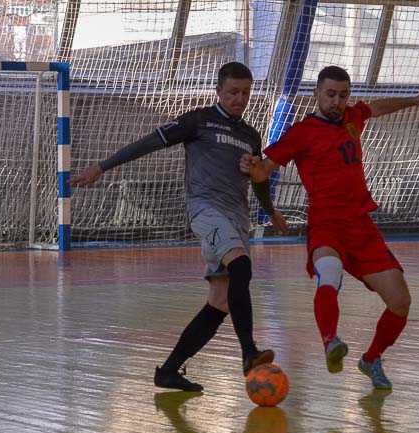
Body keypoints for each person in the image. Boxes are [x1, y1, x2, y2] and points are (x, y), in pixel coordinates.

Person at [70, 62, 288, 392]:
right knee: (241, 266)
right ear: (218, 90)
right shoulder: (198, 120)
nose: (239, 99)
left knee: (220, 302)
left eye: (245, 93)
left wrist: (270, 211)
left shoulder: (250, 136)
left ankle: (168, 372)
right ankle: (248, 353)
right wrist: (102, 167)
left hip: (237, 216)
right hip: (206, 210)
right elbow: (148, 143)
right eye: (232, 92)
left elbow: (258, 178)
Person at [242, 66, 419, 389]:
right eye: (331, 94)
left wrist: (417, 101)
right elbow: (264, 169)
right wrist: (252, 168)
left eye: (343, 95)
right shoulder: (302, 132)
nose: (337, 101)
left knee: (401, 302)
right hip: (325, 224)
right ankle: (330, 341)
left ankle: (372, 358)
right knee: (330, 272)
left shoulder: (353, 117)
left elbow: (377, 107)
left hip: (361, 226)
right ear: (317, 94)